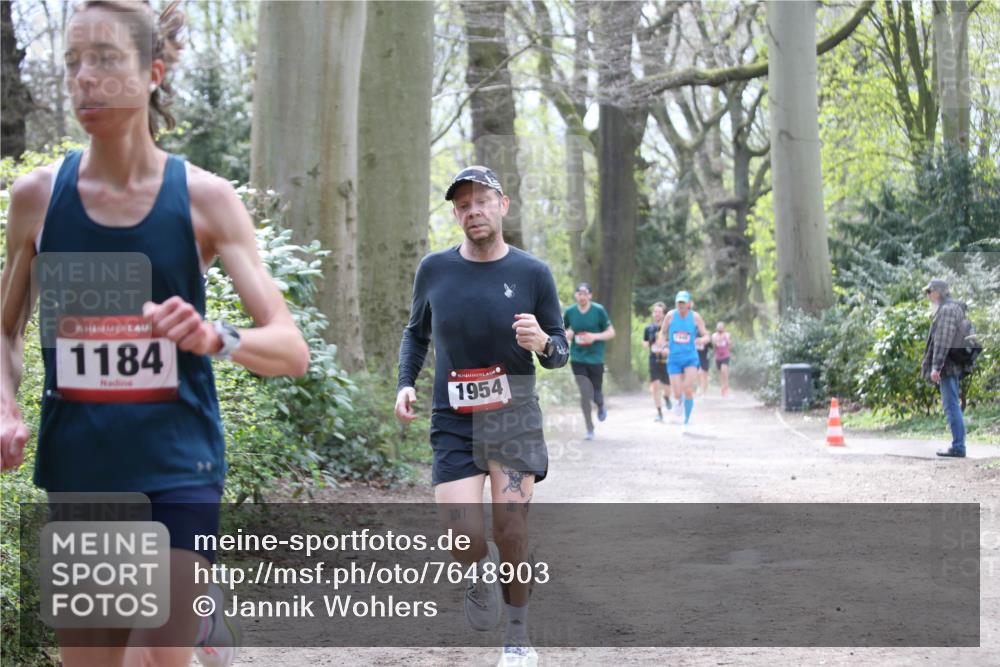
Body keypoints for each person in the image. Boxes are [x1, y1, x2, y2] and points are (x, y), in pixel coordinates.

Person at [0, 2, 309, 666]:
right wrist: (5, 405)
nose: (85, 78)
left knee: (158, 655)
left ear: (152, 74)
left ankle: (189, 626)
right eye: (73, 62)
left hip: (179, 460)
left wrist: (214, 336)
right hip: (83, 468)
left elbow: (290, 347)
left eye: (106, 59)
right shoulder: (35, 200)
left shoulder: (204, 198)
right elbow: (6, 333)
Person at [395, 165, 568, 667]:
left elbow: (559, 349)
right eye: (463, 204)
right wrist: (406, 382)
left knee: (511, 529)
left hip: (513, 410)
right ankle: (478, 568)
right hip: (452, 413)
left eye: (482, 201)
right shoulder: (434, 269)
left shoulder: (533, 273)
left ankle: (517, 637)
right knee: (460, 533)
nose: (473, 210)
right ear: (455, 214)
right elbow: (415, 332)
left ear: (502, 205)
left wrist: (544, 343)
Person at [921, 279, 968, 458]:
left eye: (929, 291)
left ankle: (958, 447)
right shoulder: (952, 308)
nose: (927, 295)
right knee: (952, 405)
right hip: (952, 364)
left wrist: (936, 367)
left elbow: (943, 341)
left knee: (951, 406)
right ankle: (958, 444)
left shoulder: (947, 310)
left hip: (947, 366)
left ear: (938, 292)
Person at [563, 283, 615, 440]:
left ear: (590, 295)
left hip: (595, 358)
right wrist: (568, 333)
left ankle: (600, 405)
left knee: (596, 392)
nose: (582, 296)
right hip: (578, 357)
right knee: (584, 392)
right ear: (576, 295)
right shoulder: (570, 312)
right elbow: (560, 331)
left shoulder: (598, 310)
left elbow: (611, 332)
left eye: (585, 293)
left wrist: (594, 337)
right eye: (579, 293)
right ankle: (589, 428)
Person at [657, 291, 710, 429]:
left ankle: (686, 419)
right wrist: (663, 345)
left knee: (687, 387)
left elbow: (707, 336)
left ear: (689, 304)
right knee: (677, 392)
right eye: (678, 302)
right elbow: (662, 332)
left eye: (683, 302)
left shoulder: (695, 317)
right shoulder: (670, 316)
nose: (681, 305)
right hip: (674, 358)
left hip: (690, 358)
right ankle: (679, 401)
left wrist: (700, 340)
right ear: (676, 303)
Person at [642, 301, 672, 421]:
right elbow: (644, 343)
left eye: (659, 312)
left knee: (668, 385)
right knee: (655, 386)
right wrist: (652, 342)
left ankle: (667, 397)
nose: (657, 314)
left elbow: (673, 343)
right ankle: (659, 412)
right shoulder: (648, 329)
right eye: (655, 312)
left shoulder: (669, 328)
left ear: (664, 314)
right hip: (653, 358)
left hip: (666, 360)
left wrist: (666, 348)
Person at [712, 322, 732, 396]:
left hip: (725, 355)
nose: (720, 328)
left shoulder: (727, 335)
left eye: (721, 327)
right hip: (718, 356)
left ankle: (726, 386)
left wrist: (727, 342)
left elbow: (730, 344)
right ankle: (722, 386)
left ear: (724, 328)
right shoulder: (714, 335)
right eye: (718, 327)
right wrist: (717, 341)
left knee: (724, 370)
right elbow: (714, 346)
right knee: (720, 372)